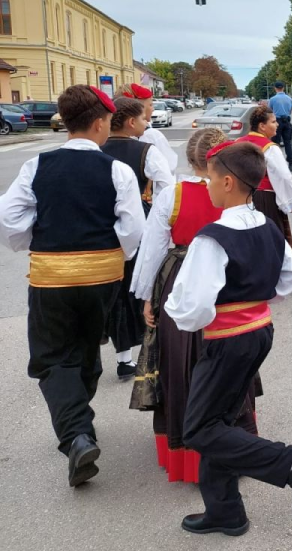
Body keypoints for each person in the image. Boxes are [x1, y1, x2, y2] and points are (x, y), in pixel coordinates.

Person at [165, 141, 292, 536]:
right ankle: (225, 511)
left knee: (198, 429)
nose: (207, 184)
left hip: (227, 339)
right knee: (220, 421)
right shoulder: (265, 224)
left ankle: (289, 462)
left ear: (228, 182)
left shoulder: (211, 238)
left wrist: (179, 315)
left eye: (210, 178)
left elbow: (193, 307)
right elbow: (291, 276)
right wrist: (253, 301)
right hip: (258, 331)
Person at [0, 85, 145, 486]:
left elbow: (9, 219)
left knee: (51, 357)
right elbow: (133, 229)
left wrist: (40, 241)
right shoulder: (116, 170)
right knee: (86, 349)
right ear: (100, 123)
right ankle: (79, 427)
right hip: (103, 276)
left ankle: (77, 434)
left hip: (51, 275)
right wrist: (114, 253)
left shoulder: (37, 165)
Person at [130, 128, 262, 483]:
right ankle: (238, 439)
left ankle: (190, 449)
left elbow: (153, 249)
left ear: (192, 159)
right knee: (229, 361)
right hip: (229, 284)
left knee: (183, 362)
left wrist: (147, 297)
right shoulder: (238, 197)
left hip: (182, 282)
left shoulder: (173, 195)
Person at [101, 97, 175, 380]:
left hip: (104, 229)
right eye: (144, 119)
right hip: (138, 226)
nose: (147, 123)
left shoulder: (98, 148)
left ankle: (122, 357)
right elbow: (167, 189)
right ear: (131, 122)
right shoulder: (147, 151)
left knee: (114, 293)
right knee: (141, 290)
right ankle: (144, 352)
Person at [237, 106, 292, 246]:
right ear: (262, 126)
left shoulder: (238, 143)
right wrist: (291, 202)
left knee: (247, 239)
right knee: (269, 240)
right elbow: (283, 176)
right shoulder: (270, 148)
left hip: (239, 197)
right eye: (273, 122)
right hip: (264, 198)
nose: (277, 124)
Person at [118, 83, 178, 174]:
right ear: (139, 109)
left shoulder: (109, 137)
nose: (153, 109)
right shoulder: (152, 136)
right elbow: (169, 168)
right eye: (150, 105)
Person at [268, 80, 292, 172]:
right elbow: (290, 111)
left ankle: (277, 162)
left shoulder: (272, 99)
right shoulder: (289, 99)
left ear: (275, 88)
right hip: (287, 121)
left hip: (277, 122)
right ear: (283, 88)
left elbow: (270, 111)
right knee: (288, 142)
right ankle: (290, 162)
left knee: (275, 143)